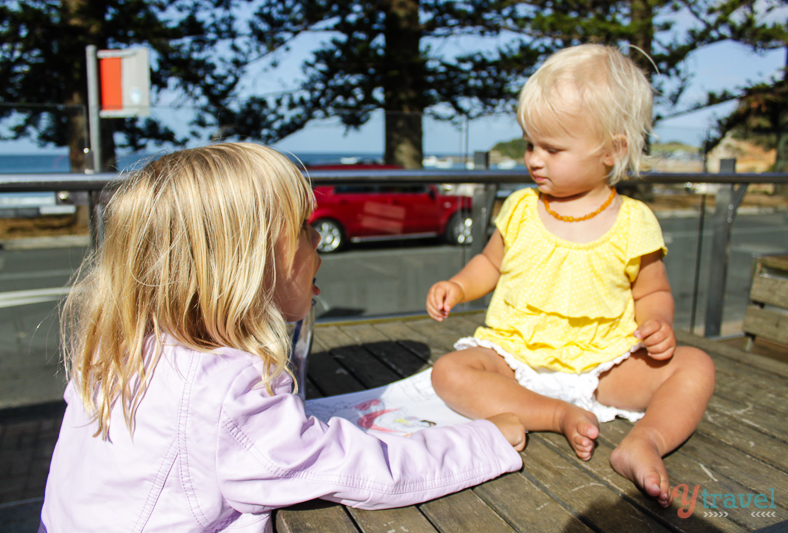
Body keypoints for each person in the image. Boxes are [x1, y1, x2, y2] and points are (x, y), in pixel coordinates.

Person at [41, 143, 525, 532]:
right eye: (302, 229)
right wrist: (488, 439)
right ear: (245, 267)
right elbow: (366, 471)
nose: (317, 242)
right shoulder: (222, 390)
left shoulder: (122, 347)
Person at [426, 44, 715, 508]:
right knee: (451, 371)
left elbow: (653, 289)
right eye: (529, 144)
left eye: (552, 148)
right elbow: (490, 264)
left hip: (603, 364)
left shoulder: (633, 221)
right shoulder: (521, 208)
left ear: (612, 150)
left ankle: (646, 441)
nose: (534, 159)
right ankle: (557, 414)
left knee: (694, 366)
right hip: (516, 357)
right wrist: (458, 287)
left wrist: (658, 323)